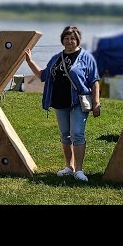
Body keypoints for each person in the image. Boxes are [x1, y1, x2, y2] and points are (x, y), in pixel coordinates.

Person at [25, 26, 101, 181]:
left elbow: (94, 81)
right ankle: (69, 167)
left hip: (78, 102)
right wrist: (29, 61)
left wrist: (96, 103)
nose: (69, 41)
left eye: (72, 38)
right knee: (65, 135)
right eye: (66, 38)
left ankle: (79, 170)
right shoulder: (56, 58)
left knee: (77, 134)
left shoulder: (86, 57)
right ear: (62, 40)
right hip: (59, 102)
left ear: (78, 40)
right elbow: (43, 75)